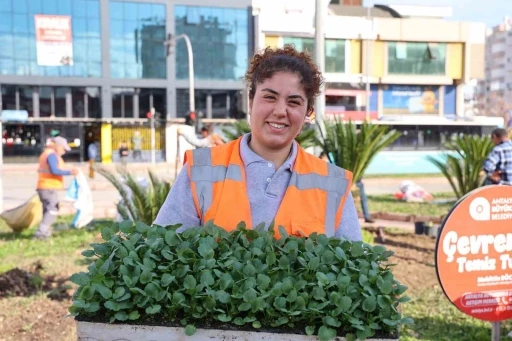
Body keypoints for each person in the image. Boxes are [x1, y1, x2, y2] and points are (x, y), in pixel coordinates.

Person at [155, 45, 362, 241]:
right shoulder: (200, 171)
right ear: (251, 101)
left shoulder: (333, 184)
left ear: (308, 112)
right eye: (270, 97)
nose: (280, 111)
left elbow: (355, 269)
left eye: (294, 102)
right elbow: (161, 252)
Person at [34, 136, 79, 239]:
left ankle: (44, 232)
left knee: (47, 210)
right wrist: (70, 172)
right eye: (63, 149)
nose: (64, 152)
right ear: (58, 146)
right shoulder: (51, 155)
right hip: (48, 187)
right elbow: (55, 170)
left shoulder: (47, 153)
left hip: (44, 186)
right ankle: (41, 232)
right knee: (52, 209)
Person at [319, 152, 374, 223]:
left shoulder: (339, 157)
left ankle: (366, 216)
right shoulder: (333, 157)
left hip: (353, 181)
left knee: (362, 198)